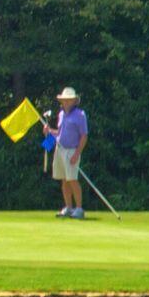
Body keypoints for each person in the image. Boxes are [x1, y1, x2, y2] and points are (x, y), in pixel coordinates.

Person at [46, 87, 88, 219]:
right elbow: (59, 133)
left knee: (72, 179)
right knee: (64, 180)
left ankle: (79, 208)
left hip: (72, 151)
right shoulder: (61, 114)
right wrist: (49, 131)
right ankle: (68, 207)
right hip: (60, 149)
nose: (66, 102)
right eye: (64, 100)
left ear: (74, 101)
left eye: (69, 100)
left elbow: (84, 136)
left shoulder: (80, 115)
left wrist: (77, 154)